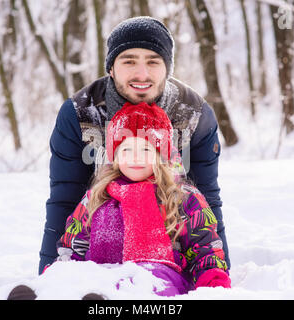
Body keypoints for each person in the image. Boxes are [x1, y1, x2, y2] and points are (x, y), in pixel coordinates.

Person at [39, 16, 230, 276]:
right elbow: (64, 200)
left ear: (167, 68)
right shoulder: (79, 113)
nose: (142, 74)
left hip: (169, 258)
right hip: (101, 251)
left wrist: (218, 277)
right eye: (129, 61)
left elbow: (207, 201)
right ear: (111, 68)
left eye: (153, 61)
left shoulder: (194, 113)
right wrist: (49, 276)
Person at [54, 102, 230, 296]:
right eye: (126, 150)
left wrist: (213, 283)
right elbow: (72, 246)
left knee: (138, 282)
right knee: (85, 282)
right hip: (101, 276)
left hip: (160, 279)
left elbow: (205, 247)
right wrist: (60, 275)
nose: (135, 158)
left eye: (145, 150)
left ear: (161, 155)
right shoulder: (98, 196)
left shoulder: (182, 196)